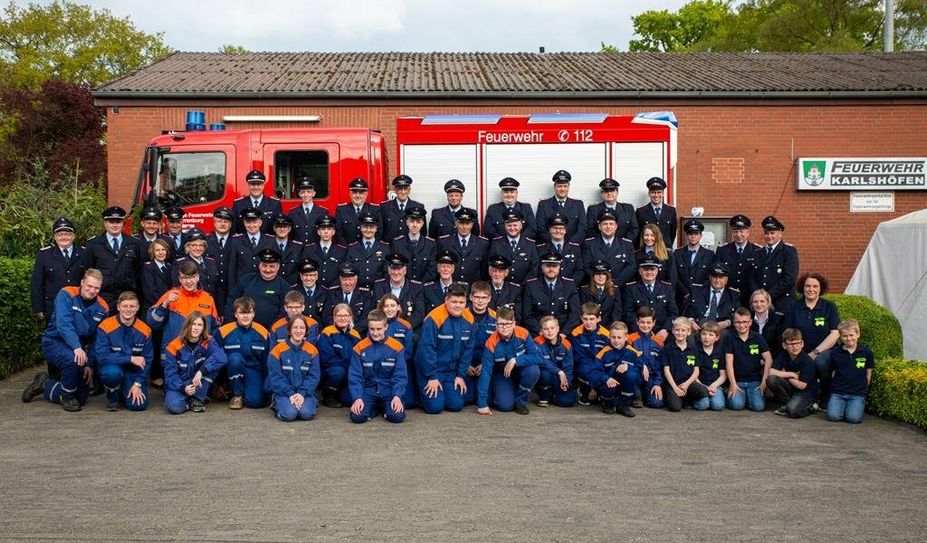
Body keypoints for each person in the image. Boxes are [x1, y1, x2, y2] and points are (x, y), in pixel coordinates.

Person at [22, 270, 109, 411]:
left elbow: (96, 339)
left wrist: (90, 364)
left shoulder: (103, 307)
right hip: (55, 342)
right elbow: (64, 325)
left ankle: (44, 384)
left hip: (79, 348)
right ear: (82, 282)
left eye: (96, 288)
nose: (92, 291)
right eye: (89, 286)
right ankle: (66, 398)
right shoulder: (66, 293)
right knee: (74, 361)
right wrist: (76, 347)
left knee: (81, 398)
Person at [416, 284, 475, 414]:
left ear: (466, 302)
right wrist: (432, 376)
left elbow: (468, 351)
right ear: (446, 300)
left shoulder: (469, 319)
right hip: (430, 371)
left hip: (451, 373)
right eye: (454, 301)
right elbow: (426, 350)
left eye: (461, 302)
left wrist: (460, 375)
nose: (458, 305)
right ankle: (420, 395)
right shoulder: (434, 318)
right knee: (435, 407)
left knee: (456, 405)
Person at [783, 272, 840, 404]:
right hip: (799, 352)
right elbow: (787, 332)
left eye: (815, 286)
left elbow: (835, 333)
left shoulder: (829, 306)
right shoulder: (793, 307)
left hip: (824, 352)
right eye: (808, 286)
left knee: (820, 362)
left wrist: (816, 352)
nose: (811, 289)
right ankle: (804, 398)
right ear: (802, 287)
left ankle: (825, 395)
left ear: (821, 289)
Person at [475, 306, 541, 415]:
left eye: (507, 324)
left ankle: (521, 401)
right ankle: (506, 392)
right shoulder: (491, 343)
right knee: (505, 406)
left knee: (534, 370)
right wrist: (482, 404)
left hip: (521, 370)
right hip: (502, 374)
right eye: (500, 324)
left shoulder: (523, 333)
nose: (504, 327)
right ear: (496, 325)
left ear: (514, 323)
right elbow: (486, 372)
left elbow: (538, 357)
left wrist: (516, 360)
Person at [94, 291, 153, 412]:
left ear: (137, 308)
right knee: (111, 373)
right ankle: (113, 398)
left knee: (138, 406)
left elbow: (147, 360)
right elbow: (101, 356)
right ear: (118, 307)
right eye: (125, 306)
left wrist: (138, 384)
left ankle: (124, 390)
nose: (128, 309)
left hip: (133, 373)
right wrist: (130, 359)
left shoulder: (145, 330)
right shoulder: (105, 326)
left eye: (132, 306)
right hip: (113, 369)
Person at [348, 309, 409, 423]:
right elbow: (355, 376)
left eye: (379, 329)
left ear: (386, 327)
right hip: (368, 390)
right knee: (357, 417)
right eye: (372, 329)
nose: (375, 333)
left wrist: (397, 396)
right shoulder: (359, 348)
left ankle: (385, 409)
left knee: (397, 417)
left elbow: (400, 375)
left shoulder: (397, 347)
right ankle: (374, 409)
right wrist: (357, 398)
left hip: (388, 390)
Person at [162, 311, 228, 414]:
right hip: (181, 384)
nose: (196, 328)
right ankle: (191, 403)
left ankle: (198, 397)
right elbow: (170, 375)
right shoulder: (173, 346)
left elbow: (222, 358)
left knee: (214, 362)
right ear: (187, 325)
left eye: (199, 325)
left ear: (203, 328)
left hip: (198, 381)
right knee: (173, 406)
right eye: (193, 324)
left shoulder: (208, 341)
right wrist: (183, 388)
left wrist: (201, 371)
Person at [148, 260, 220, 349]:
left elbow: (215, 330)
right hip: (173, 353)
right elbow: (153, 323)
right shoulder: (170, 295)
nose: (189, 281)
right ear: (180, 279)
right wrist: (165, 304)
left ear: (197, 277)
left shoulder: (208, 299)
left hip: (199, 355)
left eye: (192, 277)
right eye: (185, 278)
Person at [82, 206, 142, 309]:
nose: (115, 225)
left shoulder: (134, 243)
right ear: (105, 223)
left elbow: (138, 270)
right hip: (102, 296)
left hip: (126, 297)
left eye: (118, 222)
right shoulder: (93, 244)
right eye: (111, 222)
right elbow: (88, 270)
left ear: (123, 223)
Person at [218, 296, 271, 410]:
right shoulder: (223, 331)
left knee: (254, 402)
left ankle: (244, 393)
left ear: (253, 314)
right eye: (242, 313)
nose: (245, 316)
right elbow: (215, 358)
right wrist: (219, 384)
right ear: (235, 314)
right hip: (230, 371)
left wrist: (266, 385)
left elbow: (266, 361)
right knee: (235, 358)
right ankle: (237, 394)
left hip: (253, 371)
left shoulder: (263, 333)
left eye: (249, 312)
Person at [265, 315, 321, 422]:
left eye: (302, 328)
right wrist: (290, 394)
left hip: (305, 393)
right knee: (289, 414)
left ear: (306, 331)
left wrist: (301, 394)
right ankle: (277, 404)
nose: (298, 331)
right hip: (284, 393)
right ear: (289, 330)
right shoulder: (277, 351)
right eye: (295, 328)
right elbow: (276, 377)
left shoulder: (312, 351)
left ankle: (308, 403)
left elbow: (314, 376)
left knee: (306, 414)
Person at [31, 217, 86, 321]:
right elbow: (37, 283)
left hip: (79, 306)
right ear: (54, 237)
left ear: (73, 236)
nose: (63, 237)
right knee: (53, 336)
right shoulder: (45, 255)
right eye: (60, 234)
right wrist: (38, 308)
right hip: (53, 308)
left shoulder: (84, 253)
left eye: (67, 234)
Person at [224, 248, 289, 329]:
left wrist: (274, 329)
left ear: (278, 267)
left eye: (272, 266)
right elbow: (231, 303)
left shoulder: (283, 286)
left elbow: (285, 311)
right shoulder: (245, 280)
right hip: (242, 330)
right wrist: (230, 326)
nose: (268, 270)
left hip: (272, 332)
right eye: (264, 266)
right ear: (259, 265)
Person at [724, 307, 773, 412]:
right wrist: (733, 384)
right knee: (736, 405)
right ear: (733, 322)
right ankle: (733, 393)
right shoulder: (730, 337)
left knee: (758, 407)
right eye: (738, 322)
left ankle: (748, 397)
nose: (741, 325)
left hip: (755, 381)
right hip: (737, 381)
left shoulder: (757, 337)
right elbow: (729, 362)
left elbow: (768, 359)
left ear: (750, 322)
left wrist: (764, 381)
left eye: (745, 322)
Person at [826, 319, 874, 424]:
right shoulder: (835, 353)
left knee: (854, 419)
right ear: (840, 337)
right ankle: (840, 408)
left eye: (851, 335)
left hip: (857, 394)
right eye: (845, 336)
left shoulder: (866, 352)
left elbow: (868, 372)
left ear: (858, 334)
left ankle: (850, 409)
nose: (848, 338)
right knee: (832, 417)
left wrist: (864, 388)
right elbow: (833, 372)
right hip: (838, 392)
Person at [592, 321, 643, 417]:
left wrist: (629, 367)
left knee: (631, 375)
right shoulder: (603, 353)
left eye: (619, 337)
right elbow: (596, 372)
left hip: (624, 385)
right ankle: (607, 404)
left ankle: (624, 406)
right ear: (609, 337)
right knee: (606, 385)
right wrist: (606, 378)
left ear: (626, 337)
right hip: (608, 384)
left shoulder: (633, 352)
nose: (616, 340)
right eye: (613, 337)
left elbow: (639, 370)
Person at [522, 252, 580, 336]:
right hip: (539, 334)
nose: (551, 269)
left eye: (554, 266)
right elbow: (527, 315)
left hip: (564, 334)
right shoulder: (532, 286)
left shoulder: (569, 285)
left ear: (559, 267)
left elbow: (575, 314)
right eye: (548, 266)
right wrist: (541, 332)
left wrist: (564, 333)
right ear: (542, 267)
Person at [767, 328, 819, 418]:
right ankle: (787, 403)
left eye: (797, 343)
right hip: (792, 389)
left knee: (793, 411)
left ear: (802, 343)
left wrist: (785, 373)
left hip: (806, 393)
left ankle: (810, 408)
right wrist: (792, 374)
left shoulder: (807, 361)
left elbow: (801, 385)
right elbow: (771, 372)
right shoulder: (783, 355)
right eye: (791, 344)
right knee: (771, 379)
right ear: (784, 345)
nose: (795, 347)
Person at [318, 303, 363, 408]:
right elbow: (326, 359)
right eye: (339, 316)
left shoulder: (355, 335)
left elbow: (359, 356)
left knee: (347, 400)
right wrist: (347, 367)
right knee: (338, 372)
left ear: (351, 317)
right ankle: (328, 395)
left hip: (349, 371)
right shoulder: (327, 332)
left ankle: (341, 393)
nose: (342, 318)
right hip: (332, 371)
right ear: (334, 317)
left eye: (346, 316)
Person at [623, 255, 678, 339]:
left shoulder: (666, 288)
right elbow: (628, 314)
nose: (649, 272)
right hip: (638, 334)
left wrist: (666, 329)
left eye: (652, 269)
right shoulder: (631, 289)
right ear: (640, 271)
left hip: (662, 335)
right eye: (645, 269)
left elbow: (673, 313)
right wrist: (643, 330)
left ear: (657, 271)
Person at [751, 215, 799, 311]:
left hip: (782, 302)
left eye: (772, 233)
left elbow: (789, 278)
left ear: (780, 234)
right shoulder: (758, 253)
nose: (769, 236)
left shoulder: (788, 251)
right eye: (766, 233)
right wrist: (758, 296)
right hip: (761, 304)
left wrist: (767, 296)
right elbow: (752, 277)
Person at [377, 293, 417, 408]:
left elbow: (408, 352)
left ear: (398, 307)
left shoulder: (406, 326)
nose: (389, 309)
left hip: (400, 367)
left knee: (408, 403)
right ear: (381, 308)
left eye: (392, 305)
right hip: (380, 367)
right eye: (386, 306)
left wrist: (395, 364)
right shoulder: (376, 325)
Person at [661, 317, 709, 412]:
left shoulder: (693, 349)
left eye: (683, 330)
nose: (680, 333)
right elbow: (666, 370)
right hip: (673, 383)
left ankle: (686, 398)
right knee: (675, 408)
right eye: (677, 330)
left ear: (689, 332)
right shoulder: (668, 348)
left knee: (704, 391)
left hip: (688, 383)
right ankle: (676, 397)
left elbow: (696, 371)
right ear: (673, 331)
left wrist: (686, 385)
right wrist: (675, 388)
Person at [570, 302, 611, 406]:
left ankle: (599, 391)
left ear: (598, 319)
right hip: (584, 368)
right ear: (581, 318)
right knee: (584, 368)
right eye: (585, 319)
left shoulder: (606, 334)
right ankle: (585, 389)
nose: (588, 322)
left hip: (601, 368)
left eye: (592, 319)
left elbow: (607, 356)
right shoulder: (576, 333)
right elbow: (579, 358)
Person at [462, 281, 496, 405]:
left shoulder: (496, 318)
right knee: (465, 399)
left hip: (486, 364)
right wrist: (465, 365)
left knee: (490, 400)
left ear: (489, 298)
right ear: (471, 297)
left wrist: (486, 365)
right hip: (466, 363)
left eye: (484, 297)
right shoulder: (461, 315)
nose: (480, 301)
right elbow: (456, 346)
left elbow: (498, 346)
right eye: (477, 297)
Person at [581, 209, 636, 287]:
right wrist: (601, 282)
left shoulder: (626, 244)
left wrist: (615, 283)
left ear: (616, 226)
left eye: (611, 224)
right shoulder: (589, 244)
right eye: (605, 224)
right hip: (596, 289)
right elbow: (586, 267)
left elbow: (631, 267)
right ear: (599, 226)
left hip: (620, 289)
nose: (608, 227)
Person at [714, 214, 760, 306]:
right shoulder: (722, 250)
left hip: (749, 297)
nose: (738, 235)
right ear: (732, 233)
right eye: (736, 231)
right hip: (727, 296)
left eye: (741, 231)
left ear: (748, 232)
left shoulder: (757, 251)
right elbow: (718, 273)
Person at [226, 207, 277, 288]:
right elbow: (232, 270)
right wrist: (233, 292)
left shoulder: (271, 241)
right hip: (243, 288)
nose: (251, 225)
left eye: (254, 222)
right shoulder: (236, 241)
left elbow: (276, 267)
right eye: (248, 222)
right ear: (244, 223)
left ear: (260, 222)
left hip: (265, 287)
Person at [372, 253, 425, 329]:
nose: (396, 273)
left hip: (407, 329)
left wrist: (401, 328)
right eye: (393, 269)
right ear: (389, 270)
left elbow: (419, 314)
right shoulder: (378, 286)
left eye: (399, 269)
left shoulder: (416, 288)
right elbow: (375, 311)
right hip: (383, 330)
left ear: (405, 271)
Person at [437, 208, 489, 285]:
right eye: (461, 223)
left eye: (467, 223)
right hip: (451, 290)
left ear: (472, 224)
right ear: (456, 223)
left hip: (473, 291)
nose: (464, 227)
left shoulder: (482, 243)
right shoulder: (444, 242)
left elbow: (484, 272)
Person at [534, 169, 586, 245]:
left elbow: (582, 229)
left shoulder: (578, 205)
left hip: (572, 249)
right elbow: (540, 229)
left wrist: (570, 245)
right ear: (554, 187)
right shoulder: (543, 205)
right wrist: (554, 244)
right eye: (559, 186)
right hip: (549, 249)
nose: (562, 189)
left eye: (565, 186)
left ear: (569, 187)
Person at [488, 209, 538, 285]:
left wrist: (521, 286)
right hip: (504, 289)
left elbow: (534, 269)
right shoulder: (496, 244)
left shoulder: (530, 245)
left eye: (515, 225)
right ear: (505, 226)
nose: (512, 228)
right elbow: (491, 267)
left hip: (524, 289)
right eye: (509, 225)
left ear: (521, 226)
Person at [683, 262, 738, 331]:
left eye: (721, 277)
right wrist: (691, 321)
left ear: (726, 280)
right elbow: (687, 311)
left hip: (721, 328)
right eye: (715, 277)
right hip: (699, 325)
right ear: (710, 278)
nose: (717, 280)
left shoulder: (733, 295)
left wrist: (727, 322)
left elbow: (739, 316)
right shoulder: (696, 291)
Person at [534, 315, 575, 407]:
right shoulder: (537, 342)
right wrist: (559, 372)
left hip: (560, 378)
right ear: (541, 331)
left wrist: (566, 381)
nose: (549, 331)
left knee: (568, 401)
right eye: (546, 329)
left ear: (558, 329)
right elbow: (541, 361)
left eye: (552, 328)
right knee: (545, 375)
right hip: (545, 376)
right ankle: (543, 395)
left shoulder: (566, 344)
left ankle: (554, 396)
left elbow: (568, 367)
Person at [627, 307, 665, 409]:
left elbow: (660, 365)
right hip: (635, 376)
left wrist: (657, 384)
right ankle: (636, 396)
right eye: (642, 322)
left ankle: (646, 394)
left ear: (654, 323)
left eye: (648, 322)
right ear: (637, 322)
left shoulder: (659, 342)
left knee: (657, 403)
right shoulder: (630, 339)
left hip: (651, 377)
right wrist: (641, 365)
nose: (645, 325)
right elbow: (626, 358)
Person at [672, 218, 714, 306]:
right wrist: (685, 292)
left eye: (696, 233)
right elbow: (674, 275)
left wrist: (697, 292)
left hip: (701, 297)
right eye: (690, 233)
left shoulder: (709, 255)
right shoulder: (677, 253)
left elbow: (709, 277)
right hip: (681, 298)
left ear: (701, 235)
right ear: (686, 235)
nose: (693, 236)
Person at [322, 264, 374, 334]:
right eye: (344, 280)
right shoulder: (332, 293)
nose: (347, 283)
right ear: (340, 280)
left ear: (356, 279)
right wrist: (338, 330)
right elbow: (326, 316)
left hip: (357, 334)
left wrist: (352, 332)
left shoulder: (365, 294)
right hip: (335, 334)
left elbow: (367, 317)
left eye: (350, 280)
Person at [390, 206, 437, 283]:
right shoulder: (397, 243)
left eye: (418, 222)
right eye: (412, 221)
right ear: (407, 222)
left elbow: (432, 270)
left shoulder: (430, 244)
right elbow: (394, 267)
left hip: (423, 287)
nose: (415, 225)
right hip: (403, 287)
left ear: (422, 224)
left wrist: (419, 285)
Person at [345, 211, 389, 290]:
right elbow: (349, 272)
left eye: (371, 227)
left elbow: (387, 273)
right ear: (361, 228)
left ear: (376, 228)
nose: (368, 230)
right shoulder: (352, 248)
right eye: (365, 226)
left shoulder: (385, 248)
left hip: (377, 291)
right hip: (358, 291)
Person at [536, 213, 583, 285]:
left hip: (570, 290)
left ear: (565, 230)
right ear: (550, 230)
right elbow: (538, 271)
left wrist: (570, 286)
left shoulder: (575, 248)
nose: (558, 231)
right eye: (555, 228)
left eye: (561, 228)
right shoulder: (541, 249)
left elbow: (579, 271)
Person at [301, 215, 347, 290]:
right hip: (315, 290)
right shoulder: (309, 250)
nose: (326, 232)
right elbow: (304, 271)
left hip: (334, 290)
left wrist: (334, 287)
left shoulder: (341, 250)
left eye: (329, 229)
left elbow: (342, 272)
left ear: (333, 232)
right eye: (323, 229)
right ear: (318, 232)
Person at [171, 230, 219, 300]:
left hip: (211, 303)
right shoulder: (180, 263)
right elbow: (176, 288)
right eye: (194, 245)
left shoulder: (211, 262)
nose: (198, 248)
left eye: (201, 245)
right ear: (187, 247)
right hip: (191, 304)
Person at [231, 169, 282, 235]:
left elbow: (278, 228)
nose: (255, 187)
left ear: (263, 185)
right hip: (244, 244)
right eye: (252, 184)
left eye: (259, 184)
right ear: (248, 185)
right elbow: (234, 230)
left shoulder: (274, 204)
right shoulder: (238, 204)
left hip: (268, 244)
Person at [335, 177, 382, 244]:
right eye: (354, 192)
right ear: (350, 193)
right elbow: (338, 233)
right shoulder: (341, 210)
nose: (357, 196)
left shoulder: (375, 210)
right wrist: (347, 249)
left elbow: (379, 232)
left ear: (366, 194)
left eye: (361, 193)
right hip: (347, 251)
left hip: (368, 251)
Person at [634, 176, 677, 249]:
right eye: (653, 192)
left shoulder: (671, 211)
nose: (656, 195)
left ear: (663, 194)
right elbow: (638, 235)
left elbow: (672, 233)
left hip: (665, 250)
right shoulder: (641, 211)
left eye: (659, 192)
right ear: (649, 194)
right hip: (647, 251)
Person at [380, 174, 426, 241]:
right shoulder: (385, 207)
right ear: (395, 190)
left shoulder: (418, 207)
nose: (403, 192)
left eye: (405, 189)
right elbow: (380, 230)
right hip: (390, 248)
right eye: (400, 189)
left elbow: (423, 232)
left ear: (409, 190)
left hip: (410, 249)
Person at [693, 321, 726, 411]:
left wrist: (714, 385)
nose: (706, 337)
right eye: (704, 334)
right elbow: (693, 374)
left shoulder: (719, 352)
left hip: (715, 385)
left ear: (717, 337)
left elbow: (723, 375)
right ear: (700, 335)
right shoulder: (695, 350)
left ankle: (717, 396)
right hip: (699, 384)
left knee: (717, 406)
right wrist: (703, 387)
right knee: (703, 405)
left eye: (711, 335)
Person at [205, 206, 235, 306]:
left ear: (230, 224)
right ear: (214, 222)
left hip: (231, 290)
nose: (222, 224)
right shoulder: (205, 241)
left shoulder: (237, 242)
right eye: (219, 221)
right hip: (210, 291)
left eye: (226, 221)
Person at [580, 260, 622, 327]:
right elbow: (583, 312)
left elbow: (617, 312)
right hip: (589, 327)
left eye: (603, 274)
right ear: (593, 276)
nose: (601, 277)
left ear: (607, 276)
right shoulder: (585, 290)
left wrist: (609, 329)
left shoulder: (615, 290)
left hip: (609, 329)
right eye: (598, 274)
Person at [288, 176, 328, 245]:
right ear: (299, 194)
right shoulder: (293, 213)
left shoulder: (323, 212)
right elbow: (290, 236)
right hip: (298, 252)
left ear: (313, 193)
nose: (305, 195)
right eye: (303, 192)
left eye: (309, 192)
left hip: (315, 252)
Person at [634, 222, 676, 289]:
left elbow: (672, 277)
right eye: (646, 235)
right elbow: (635, 278)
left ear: (657, 236)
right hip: (641, 294)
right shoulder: (636, 255)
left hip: (662, 294)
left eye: (652, 235)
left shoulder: (667, 254)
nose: (649, 238)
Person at [486, 255, 522, 323]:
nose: (497, 274)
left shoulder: (515, 290)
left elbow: (517, 317)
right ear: (490, 272)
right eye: (494, 271)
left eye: (500, 271)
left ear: (506, 273)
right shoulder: (483, 287)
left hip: (506, 328)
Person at [750, 289, 784, 358]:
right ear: (751, 304)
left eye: (762, 301)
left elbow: (780, 346)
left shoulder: (779, 319)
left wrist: (767, 359)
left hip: (773, 359)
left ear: (768, 302)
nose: (759, 305)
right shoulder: (747, 319)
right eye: (755, 302)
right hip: (751, 360)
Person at [269, 215, 303, 284]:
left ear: (289, 229)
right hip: (272, 285)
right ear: (274, 228)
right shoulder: (267, 246)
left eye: (285, 227)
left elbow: (300, 270)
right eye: (279, 226)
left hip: (292, 286)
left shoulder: (298, 247)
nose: (282, 229)